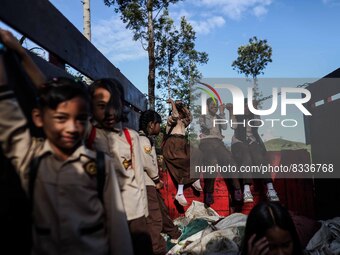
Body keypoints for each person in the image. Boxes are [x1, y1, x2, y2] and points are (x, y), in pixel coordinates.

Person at [0, 29, 132, 255]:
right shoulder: (30, 157)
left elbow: (118, 229)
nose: (72, 128)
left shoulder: (100, 166)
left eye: (81, 119)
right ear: (39, 118)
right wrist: (19, 53)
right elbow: (10, 110)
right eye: (61, 119)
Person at [87, 78, 152, 255]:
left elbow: (139, 176)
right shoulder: (89, 133)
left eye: (112, 105)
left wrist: (144, 213)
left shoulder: (131, 137)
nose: (108, 112)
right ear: (90, 106)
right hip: (104, 212)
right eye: (101, 105)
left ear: (121, 105)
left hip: (134, 211)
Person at [139, 109, 182, 254]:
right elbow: (147, 163)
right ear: (152, 124)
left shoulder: (144, 139)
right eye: (158, 124)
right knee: (155, 217)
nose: (160, 127)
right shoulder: (143, 141)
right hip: (147, 182)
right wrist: (157, 179)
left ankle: (174, 232)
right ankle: (156, 249)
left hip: (149, 183)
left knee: (161, 209)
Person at [226, 99, 279, 203]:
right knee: (246, 157)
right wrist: (231, 111)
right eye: (244, 107)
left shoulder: (253, 115)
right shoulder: (237, 115)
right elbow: (233, 126)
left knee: (259, 158)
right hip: (239, 142)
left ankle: (270, 187)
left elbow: (257, 123)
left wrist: (255, 109)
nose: (246, 109)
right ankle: (246, 189)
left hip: (252, 141)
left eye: (248, 107)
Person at [199, 97, 242, 207]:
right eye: (212, 105)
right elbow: (208, 126)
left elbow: (224, 126)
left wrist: (222, 112)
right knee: (212, 162)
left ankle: (237, 189)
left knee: (229, 159)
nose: (215, 106)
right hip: (206, 142)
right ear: (207, 106)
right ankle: (209, 192)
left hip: (218, 142)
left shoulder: (219, 116)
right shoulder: (203, 116)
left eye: (216, 104)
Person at [162, 98, 203, 207]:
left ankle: (195, 178)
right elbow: (175, 115)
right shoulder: (171, 119)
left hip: (182, 143)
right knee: (183, 159)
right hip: (173, 144)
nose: (180, 113)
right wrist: (173, 103)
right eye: (178, 111)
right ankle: (180, 193)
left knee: (197, 153)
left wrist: (183, 105)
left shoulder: (182, 122)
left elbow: (190, 117)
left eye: (180, 112)